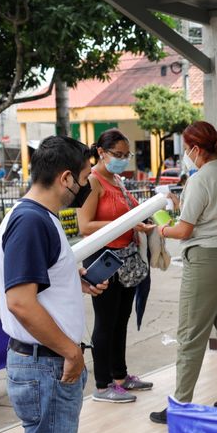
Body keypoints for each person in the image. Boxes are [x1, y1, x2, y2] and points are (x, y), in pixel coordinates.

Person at [0, 136, 108, 433]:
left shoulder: (29, 217)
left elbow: (33, 286)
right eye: (84, 177)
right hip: (47, 366)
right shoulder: (31, 222)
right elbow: (21, 302)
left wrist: (70, 278)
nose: (86, 185)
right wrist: (71, 353)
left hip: (42, 364)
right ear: (65, 178)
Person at [150, 121, 217, 424]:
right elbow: (207, 214)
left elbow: (185, 230)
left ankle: (180, 405)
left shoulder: (199, 179)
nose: (186, 153)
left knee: (191, 335)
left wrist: (161, 228)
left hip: (206, 262)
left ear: (195, 148)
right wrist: (180, 206)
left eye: (187, 147)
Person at [77, 129, 155, 403]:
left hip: (127, 258)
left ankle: (119, 376)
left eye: (126, 155)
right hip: (103, 259)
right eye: (117, 155)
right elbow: (84, 225)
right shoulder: (93, 181)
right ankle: (102, 385)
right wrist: (124, 224)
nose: (123, 160)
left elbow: (133, 212)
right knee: (105, 322)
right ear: (101, 152)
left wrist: (144, 223)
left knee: (121, 321)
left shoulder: (118, 180)